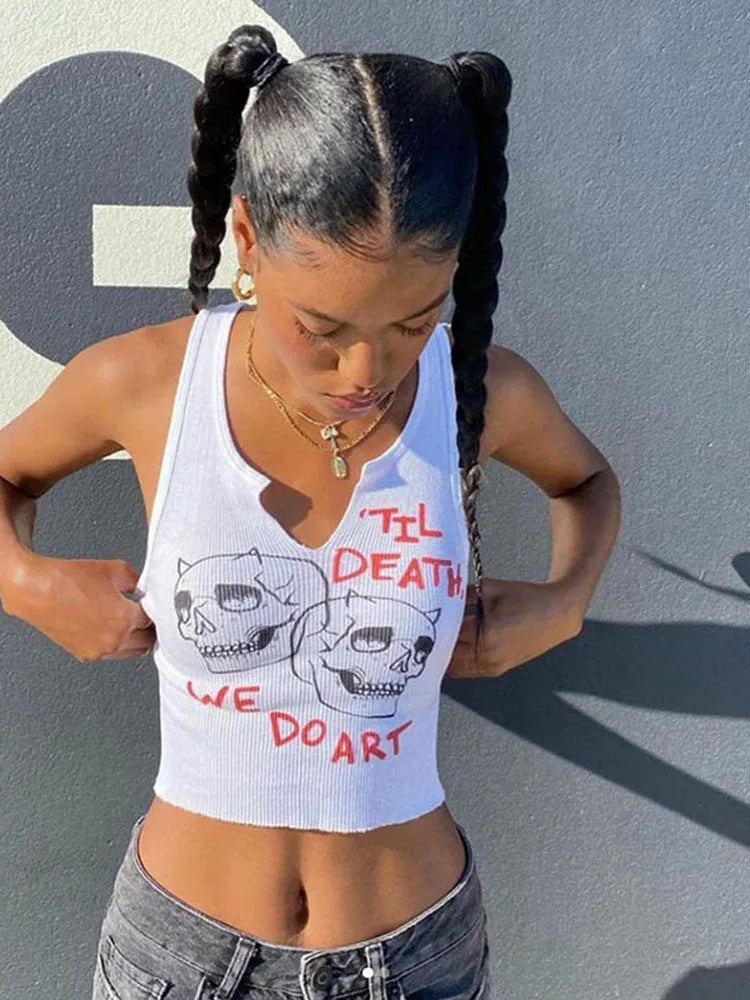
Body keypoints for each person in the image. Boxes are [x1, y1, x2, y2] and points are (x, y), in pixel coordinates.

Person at [0, 23, 621, 1000]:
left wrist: (566, 600)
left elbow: (586, 483)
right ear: (247, 239)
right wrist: (24, 580)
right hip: (181, 961)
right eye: (320, 327)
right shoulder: (150, 382)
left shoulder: (480, 391)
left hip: (415, 958)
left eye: (414, 320)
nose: (365, 370)